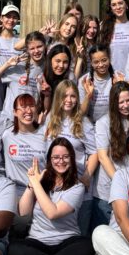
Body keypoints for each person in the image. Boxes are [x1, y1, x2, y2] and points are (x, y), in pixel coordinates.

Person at [9, 142, 94, 255]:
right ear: (49, 159)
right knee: (14, 248)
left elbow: (52, 213)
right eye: (56, 157)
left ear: (72, 159)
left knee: (87, 247)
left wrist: (36, 185)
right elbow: (23, 211)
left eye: (65, 157)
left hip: (66, 242)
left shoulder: (77, 187)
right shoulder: (41, 182)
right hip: (37, 242)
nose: (61, 161)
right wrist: (32, 184)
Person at [43, 81, 97, 234]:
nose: (69, 100)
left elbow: (95, 152)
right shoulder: (50, 119)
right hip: (55, 187)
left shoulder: (84, 122)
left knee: (78, 234)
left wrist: (86, 176)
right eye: (64, 96)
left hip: (78, 185)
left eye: (73, 96)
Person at [93, 81, 129, 227]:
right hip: (108, 192)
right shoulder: (103, 123)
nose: (126, 105)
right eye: (121, 102)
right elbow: (102, 156)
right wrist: (120, 182)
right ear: (113, 103)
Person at [2, 94, 49, 207]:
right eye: (23, 106)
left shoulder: (46, 132)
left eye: (31, 106)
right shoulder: (7, 135)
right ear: (14, 112)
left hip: (42, 192)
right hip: (17, 193)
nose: (28, 110)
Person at [2, 31, 46, 116]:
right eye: (32, 48)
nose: (36, 51)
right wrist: (7, 65)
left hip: (30, 119)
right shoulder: (18, 66)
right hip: (11, 119)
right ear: (27, 50)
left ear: (45, 45)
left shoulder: (48, 67)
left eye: (39, 46)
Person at [99, 0, 129, 75]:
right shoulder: (103, 27)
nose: (118, 7)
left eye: (120, 3)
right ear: (110, 8)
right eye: (114, 5)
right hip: (110, 77)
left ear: (126, 5)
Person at [79, 43, 117, 124]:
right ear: (91, 63)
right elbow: (81, 113)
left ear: (109, 58)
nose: (101, 65)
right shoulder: (85, 80)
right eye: (96, 62)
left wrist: (119, 86)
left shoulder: (118, 78)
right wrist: (88, 96)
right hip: (90, 125)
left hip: (113, 124)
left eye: (104, 60)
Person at [39, 43, 74, 119]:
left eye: (65, 62)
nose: (61, 65)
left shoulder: (70, 78)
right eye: (58, 61)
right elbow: (45, 111)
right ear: (50, 60)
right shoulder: (42, 77)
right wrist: (47, 95)